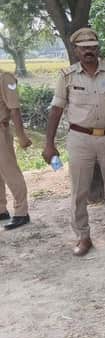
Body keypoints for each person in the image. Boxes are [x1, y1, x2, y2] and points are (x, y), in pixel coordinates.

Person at [43, 27, 105, 256]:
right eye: (84, 48)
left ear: (98, 49)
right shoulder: (67, 76)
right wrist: (49, 143)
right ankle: (83, 236)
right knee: (79, 190)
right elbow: (56, 110)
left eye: (92, 47)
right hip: (80, 139)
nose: (89, 51)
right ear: (76, 50)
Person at [0, 69, 31, 230]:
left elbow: (14, 109)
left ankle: (21, 212)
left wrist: (21, 136)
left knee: (10, 172)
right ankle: (1, 210)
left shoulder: (5, 78)